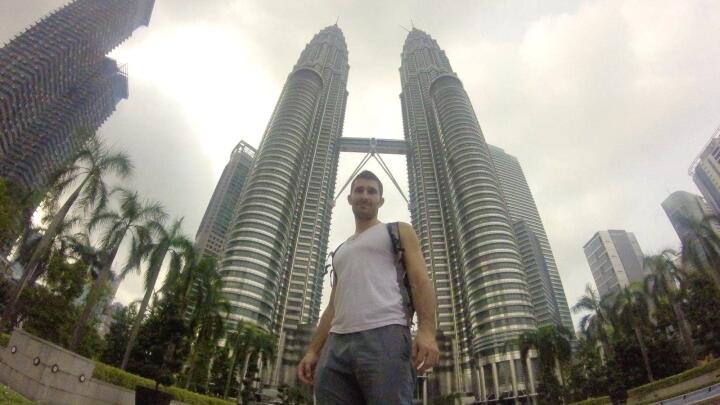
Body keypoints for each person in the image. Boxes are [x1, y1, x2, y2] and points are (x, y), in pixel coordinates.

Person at [297, 170, 439, 404]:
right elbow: (332, 306)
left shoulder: (398, 230)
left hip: (385, 335)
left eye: (371, 191)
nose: (365, 195)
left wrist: (426, 331)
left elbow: (420, 281)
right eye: (359, 190)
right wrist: (313, 350)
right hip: (336, 345)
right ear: (350, 198)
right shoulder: (341, 251)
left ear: (380, 200)